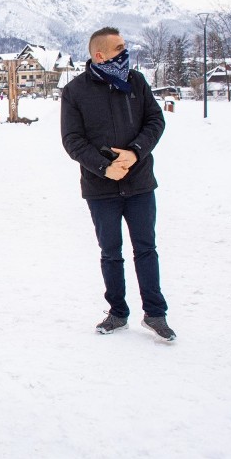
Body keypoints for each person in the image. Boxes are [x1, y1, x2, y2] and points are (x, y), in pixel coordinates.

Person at [60, 26, 176, 341]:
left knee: (146, 248)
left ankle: (155, 314)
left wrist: (135, 153)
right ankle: (117, 313)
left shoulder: (136, 82)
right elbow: (72, 141)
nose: (126, 52)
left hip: (139, 184)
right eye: (120, 47)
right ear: (100, 55)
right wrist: (103, 167)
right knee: (111, 252)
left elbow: (155, 121)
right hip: (101, 189)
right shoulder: (75, 92)